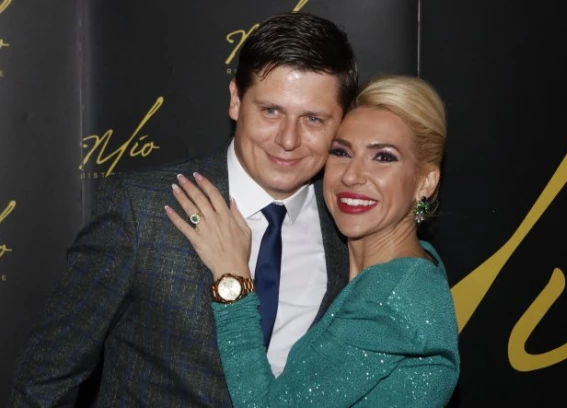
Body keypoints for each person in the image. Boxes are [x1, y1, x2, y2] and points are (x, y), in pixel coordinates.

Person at [9, 12, 357, 407]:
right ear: (235, 100)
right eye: (271, 111)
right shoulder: (143, 210)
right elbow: (44, 379)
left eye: (313, 119)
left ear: (343, 122)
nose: (288, 139)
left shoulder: (349, 230)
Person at [167, 74, 460, 407]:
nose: (352, 175)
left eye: (383, 157)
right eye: (341, 152)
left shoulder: (391, 297)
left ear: (425, 182)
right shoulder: (412, 266)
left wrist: (231, 277)